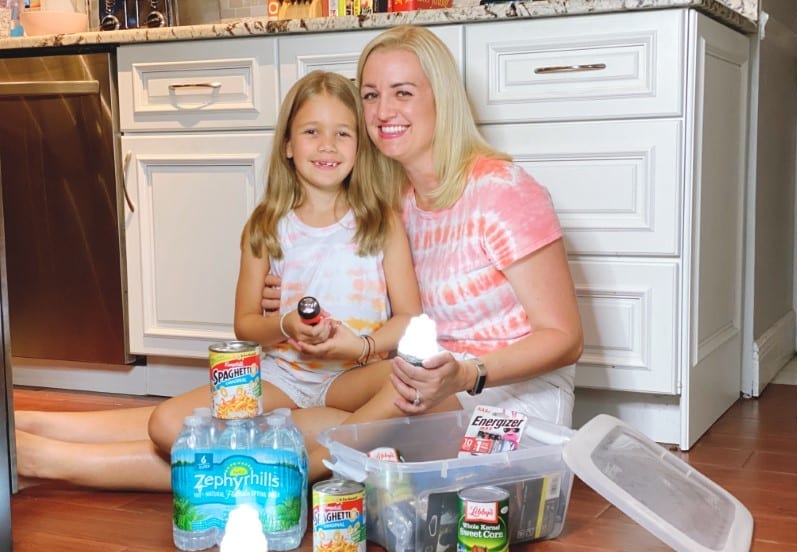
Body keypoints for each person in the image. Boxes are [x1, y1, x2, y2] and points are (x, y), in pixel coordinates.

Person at [14, 70, 420, 491]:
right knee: (167, 424)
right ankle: (299, 458)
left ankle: (297, 459)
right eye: (311, 131)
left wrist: (364, 346)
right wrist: (284, 325)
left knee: (415, 378)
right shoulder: (266, 226)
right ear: (287, 145)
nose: (327, 146)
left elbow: (410, 318)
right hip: (283, 378)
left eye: (343, 134)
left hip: (352, 377)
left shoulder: (380, 223)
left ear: (361, 146)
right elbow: (245, 324)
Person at [257, 25, 583, 481]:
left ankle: (286, 481)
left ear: (441, 99)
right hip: (420, 385)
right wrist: (285, 295)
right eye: (370, 95)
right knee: (287, 425)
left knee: (303, 433)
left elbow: (565, 338)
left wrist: (468, 375)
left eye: (402, 92)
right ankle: (251, 473)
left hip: (507, 395)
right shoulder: (397, 200)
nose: (383, 111)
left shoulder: (504, 192)